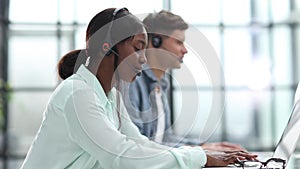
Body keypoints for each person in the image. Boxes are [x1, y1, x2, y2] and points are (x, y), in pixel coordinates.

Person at [31, 7, 257, 169]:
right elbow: (120, 155)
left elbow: (140, 144)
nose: (143, 58)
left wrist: (201, 154)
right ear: (108, 48)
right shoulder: (77, 93)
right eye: (138, 48)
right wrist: (200, 157)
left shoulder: (111, 96)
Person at [121, 10, 245, 152]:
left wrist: (205, 146)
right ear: (155, 41)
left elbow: (164, 138)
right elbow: (138, 144)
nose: (185, 50)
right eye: (179, 42)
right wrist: (199, 152)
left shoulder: (160, 85)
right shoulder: (132, 81)